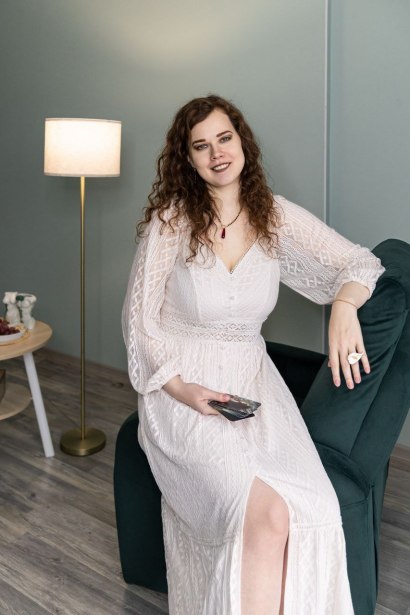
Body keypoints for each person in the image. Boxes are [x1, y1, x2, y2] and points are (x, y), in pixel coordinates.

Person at [122, 95, 385, 615]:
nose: (217, 153)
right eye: (201, 146)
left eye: (224, 138)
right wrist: (181, 388)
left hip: (253, 384)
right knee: (260, 512)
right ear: (188, 159)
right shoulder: (171, 222)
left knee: (302, 508)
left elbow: (361, 263)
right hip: (180, 387)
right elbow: (139, 321)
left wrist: (344, 306)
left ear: (242, 142)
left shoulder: (274, 215)